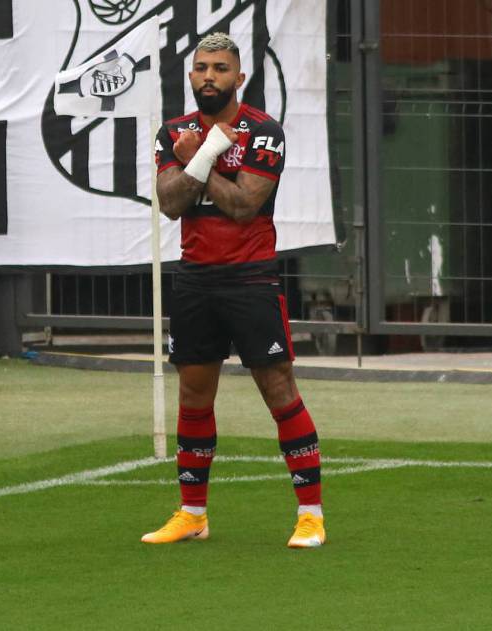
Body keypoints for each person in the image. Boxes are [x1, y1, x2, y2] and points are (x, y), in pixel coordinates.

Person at [141, 33, 326, 548]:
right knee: (194, 396)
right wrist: (203, 159)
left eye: (220, 68)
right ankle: (192, 514)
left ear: (238, 78)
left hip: (250, 277)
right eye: (200, 68)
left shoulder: (264, 131)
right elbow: (172, 203)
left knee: (279, 392)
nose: (208, 77)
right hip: (196, 278)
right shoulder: (173, 131)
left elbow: (245, 204)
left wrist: (201, 160)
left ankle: (310, 515)